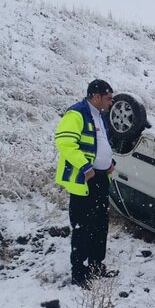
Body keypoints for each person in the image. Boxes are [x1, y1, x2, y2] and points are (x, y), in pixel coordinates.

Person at [55, 79, 119, 286]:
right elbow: (65, 142)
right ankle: (79, 274)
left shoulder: (101, 116)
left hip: (101, 178)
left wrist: (110, 163)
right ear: (96, 96)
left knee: (100, 225)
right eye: (108, 98)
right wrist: (85, 167)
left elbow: (103, 145)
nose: (111, 103)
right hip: (85, 181)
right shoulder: (77, 113)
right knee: (83, 227)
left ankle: (95, 266)